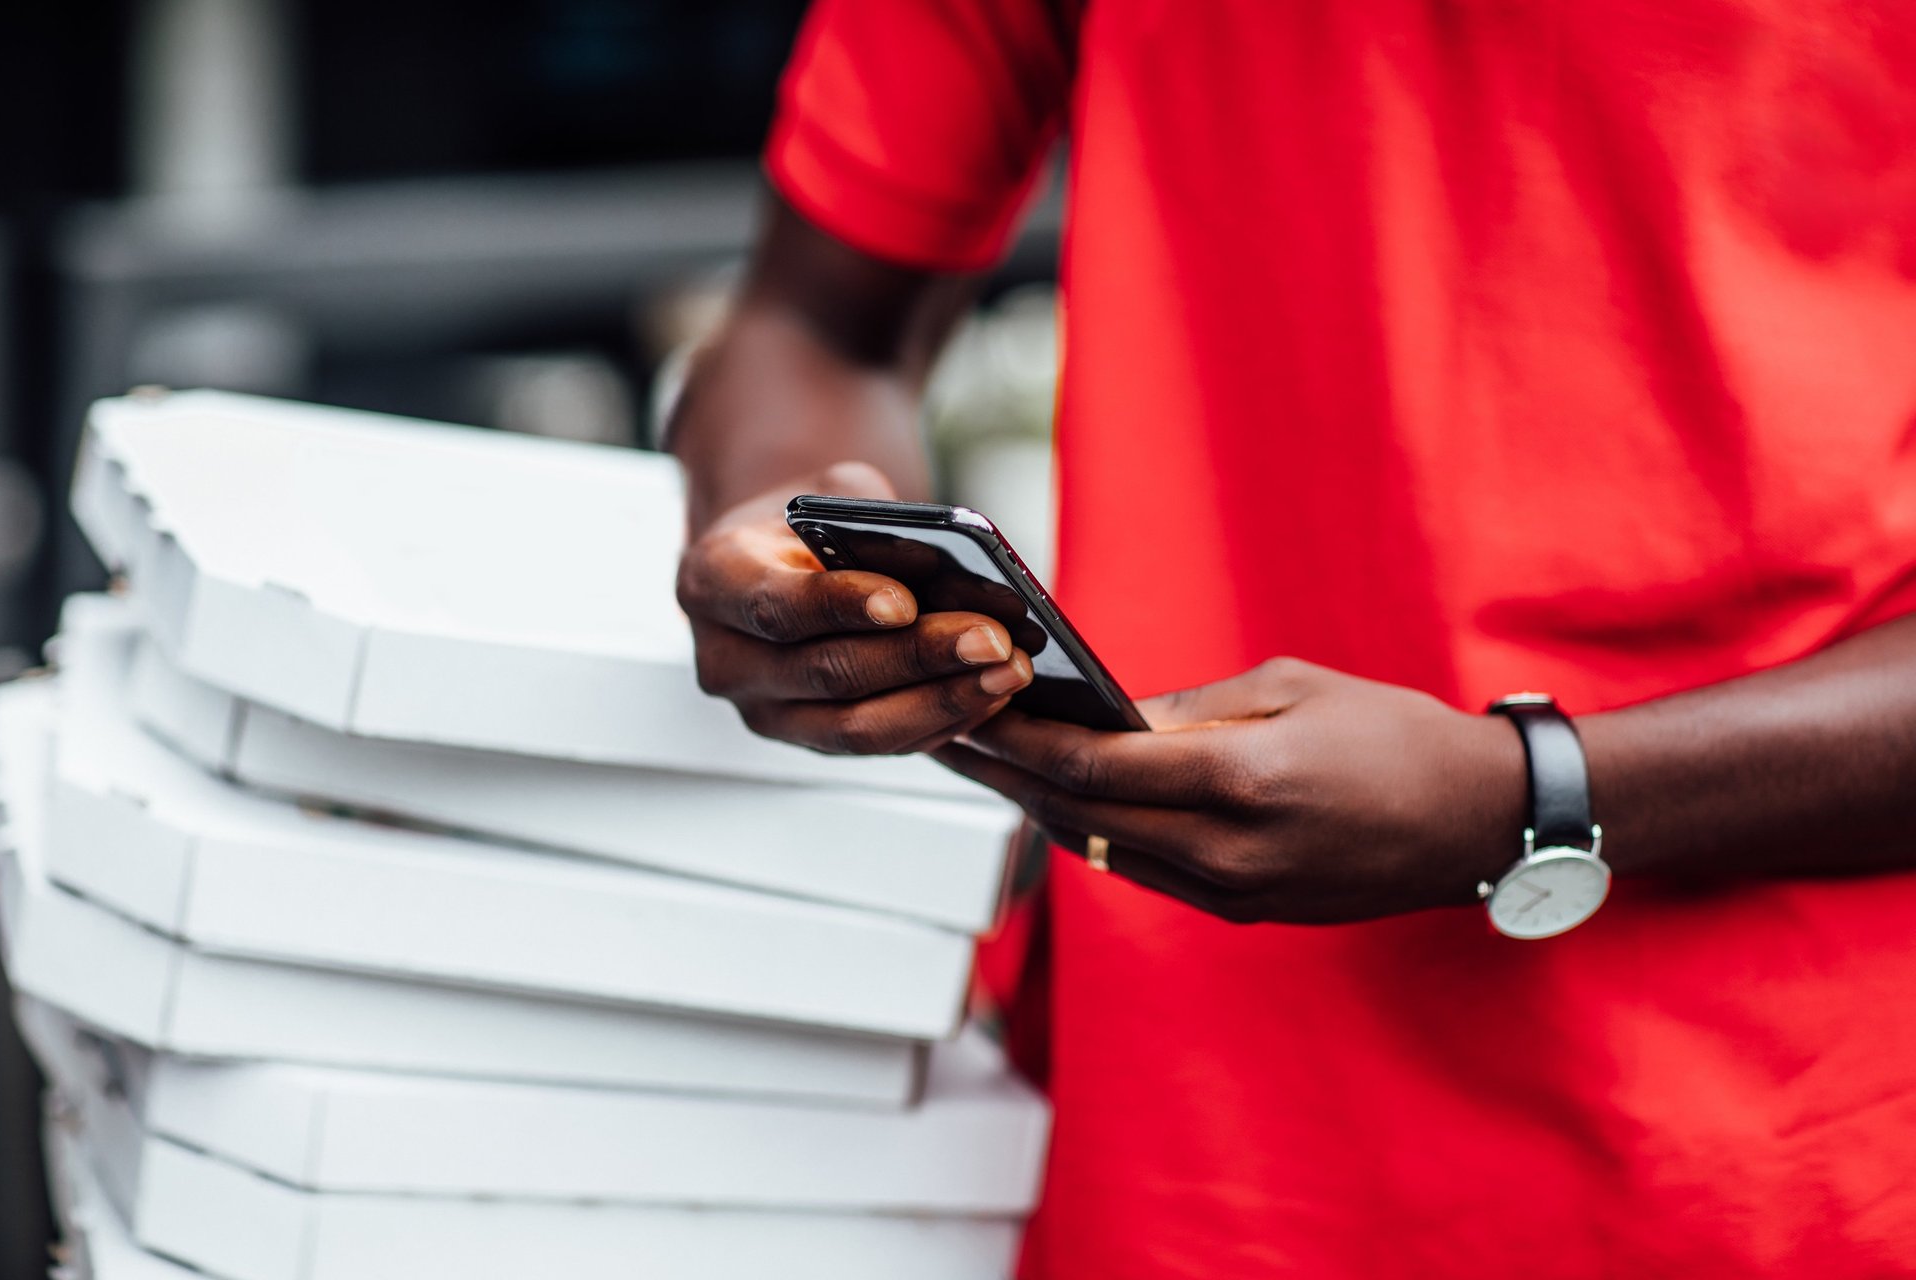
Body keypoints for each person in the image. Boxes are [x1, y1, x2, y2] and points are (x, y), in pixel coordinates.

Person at [668, 2, 1916, 1275]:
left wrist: (1529, 797)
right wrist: (783, 537)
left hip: (1779, 1163)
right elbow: (809, 327)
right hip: (1184, 1148)